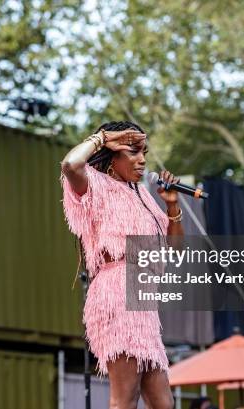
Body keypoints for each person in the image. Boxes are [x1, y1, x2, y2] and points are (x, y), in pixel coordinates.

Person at [61, 120, 184, 409]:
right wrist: (102, 138)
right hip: (116, 293)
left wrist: (172, 206)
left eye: (144, 152)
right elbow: (69, 164)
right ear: (112, 155)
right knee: (124, 398)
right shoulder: (95, 183)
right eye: (133, 151)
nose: (142, 159)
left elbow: (175, 252)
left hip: (143, 300)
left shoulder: (143, 194)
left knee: (163, 402)